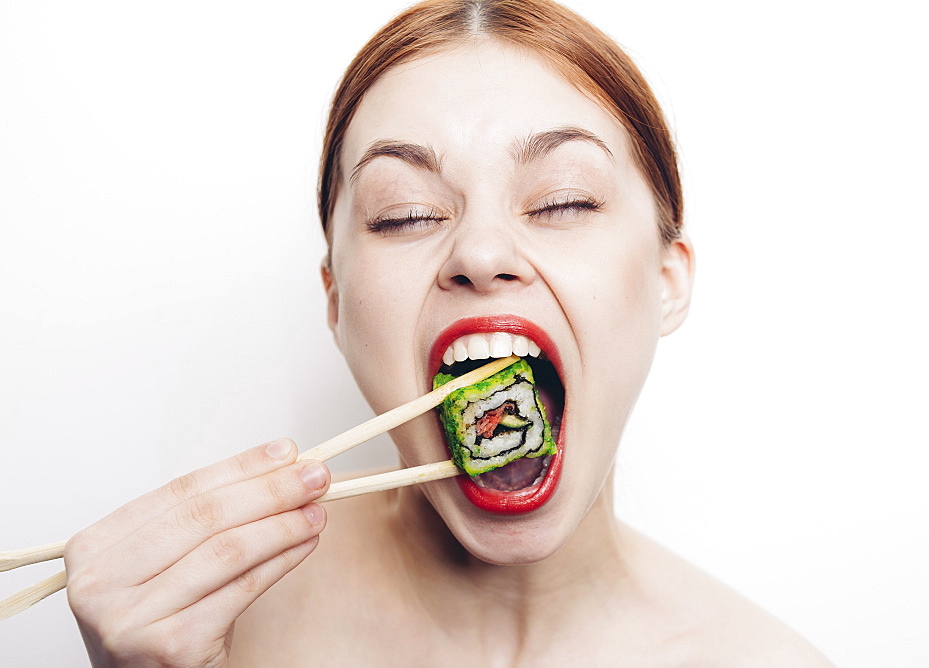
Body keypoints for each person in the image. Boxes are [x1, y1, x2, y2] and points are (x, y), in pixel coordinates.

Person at [64, 0, 833, 664]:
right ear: (334, 300)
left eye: (563, 200)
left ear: (669, 281)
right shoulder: (213, 634)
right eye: (405, 214)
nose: (481, 253)